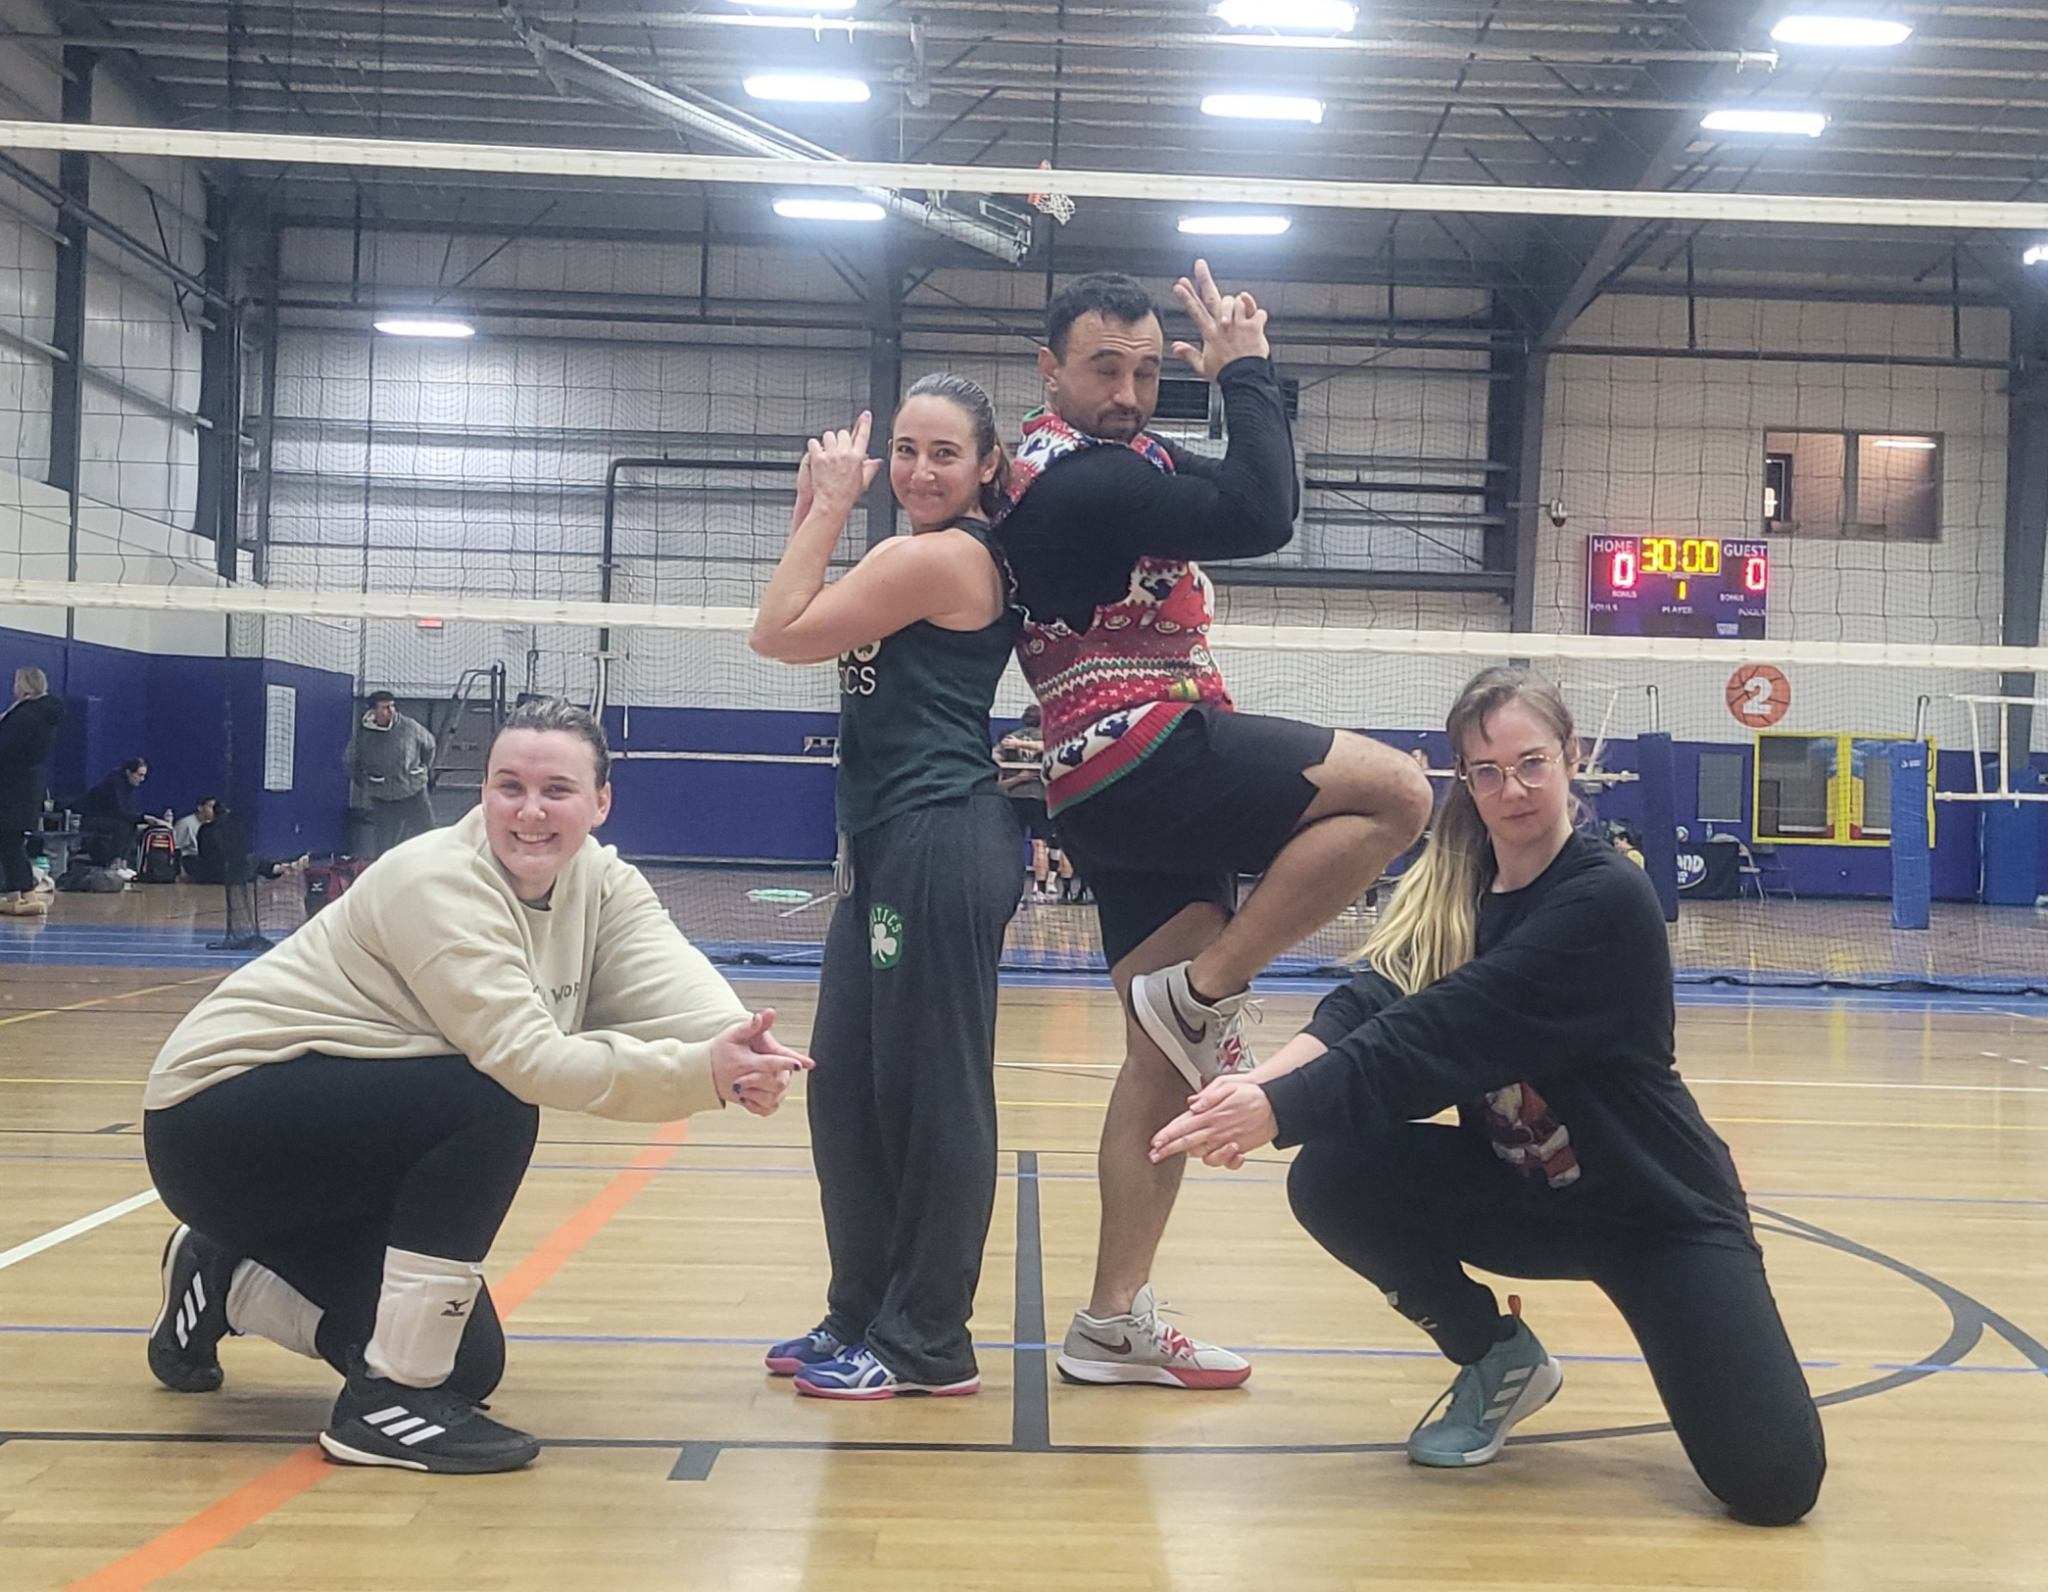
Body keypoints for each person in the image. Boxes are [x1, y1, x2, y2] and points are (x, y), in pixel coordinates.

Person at [1148, 667, 1826, 1525]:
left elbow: (1436, 1033)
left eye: (1532, 763)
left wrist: (1278, 1110)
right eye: (1490, 772)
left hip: (1658, 1214)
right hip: (1526, 1195)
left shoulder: (1605, 899)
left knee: (1772, 1485)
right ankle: (1496, 1357)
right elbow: (1375, 1000)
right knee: (1334, 1175)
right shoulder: (1459, 891)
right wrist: (1260, 1083)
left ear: (1573, 758)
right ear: (1466, 781)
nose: (1514, 790)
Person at [140, 697, 811, 1474]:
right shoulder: (436, 880)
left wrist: (740, 1048)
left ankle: (225, 1277)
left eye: (557, 790)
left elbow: (670, 985)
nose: (530, 811)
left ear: (600, 802)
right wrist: (701, 1076)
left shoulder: (599, 882)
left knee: (465, 1364)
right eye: (508, 787)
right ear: (483, 792)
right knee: (488, 1103)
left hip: (346, 1142)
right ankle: (386, 1403)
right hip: (218, 1123)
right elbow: (528, 1060)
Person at [992, 265, 1433, 1388]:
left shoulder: (1118, 462)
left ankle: (1110, 1321)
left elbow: (1236, 480)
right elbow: (1263, 511)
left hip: (1102, 784)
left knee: (1161, 1063)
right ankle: (1207, 988)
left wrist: (1237, 390)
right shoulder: (1079, 479)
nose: (1128, 392)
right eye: (1104, 368)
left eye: (1147, 372)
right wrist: (1247, 371)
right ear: (1048, 371)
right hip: (1142, 745)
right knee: (1400, 793)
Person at [748, 374, 1020, 1400]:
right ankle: (862, 1308)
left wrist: (825, 505)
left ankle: (927, 1339)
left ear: (987, 467)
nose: (918, 469)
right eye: (904, 449)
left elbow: (777, 631)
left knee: (933, 1092)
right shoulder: (902, 555)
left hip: (940, 832)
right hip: (883, 839)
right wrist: (812, 506)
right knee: (849, 1090)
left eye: (944, 452)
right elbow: (804, 606)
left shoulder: (942, 557)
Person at [0, 666, 63, 916]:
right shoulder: (44, 715)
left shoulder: (24, 715)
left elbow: (6, 749)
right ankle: (16, 893)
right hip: (26, 788)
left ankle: (26, 892)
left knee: (9, 840)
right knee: (9, 840)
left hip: (10, 788)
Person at [346, 691, 437, 857]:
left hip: (413, 792)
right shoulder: (363, 734)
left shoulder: (410, 726)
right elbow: (351, 761)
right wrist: (367, 783)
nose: (391, 711)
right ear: (373, 711)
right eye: (385, 707)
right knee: (385, 845)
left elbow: (429, 746)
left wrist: (421, 770)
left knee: (428, 836)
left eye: (392, 706)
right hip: (383, 797)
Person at [996, 704, 1072, 902]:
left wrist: (1015, 747)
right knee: (1041, 844)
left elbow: (995, 759)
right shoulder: (1048, 738)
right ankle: (1042, 890)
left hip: (1016, 798)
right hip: (1040, 797)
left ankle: (1016, 889)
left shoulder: (1010, 738)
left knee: (1016, 845)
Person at [78, 757, 161, 873]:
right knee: (122, 826)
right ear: (128, 772)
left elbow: (128, 812)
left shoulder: (127, 786)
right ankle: (115, 863)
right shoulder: (114, 784)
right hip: (90, 818)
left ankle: (123, 862)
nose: (142, 779)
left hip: (106, 817)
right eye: (140, 775)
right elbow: (120, 812)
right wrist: (143, 818)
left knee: (131, 825)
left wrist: (141, 818)